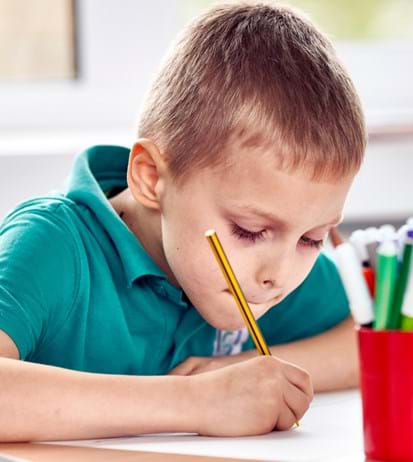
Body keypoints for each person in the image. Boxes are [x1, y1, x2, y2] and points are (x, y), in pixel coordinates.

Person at [0, 1, 365, 442]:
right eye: (248, 231)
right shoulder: (54, 245)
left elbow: (371, 340)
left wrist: (236, 376)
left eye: (313, 239)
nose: (279, 274)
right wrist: (197, 400)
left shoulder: (268, 261)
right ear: (151, 179)